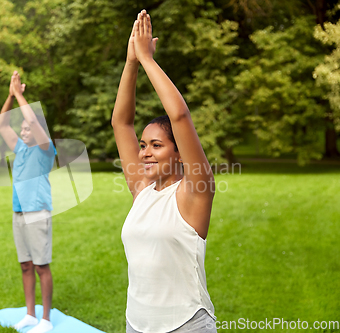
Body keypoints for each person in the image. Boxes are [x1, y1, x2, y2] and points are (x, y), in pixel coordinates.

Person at [112, 11, 217, 333]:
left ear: (179, 151)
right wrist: (130, 63)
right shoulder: (142, 189)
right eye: (143, 145)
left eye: (156, 145)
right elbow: (121, 122)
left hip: (186, 324)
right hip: (137, 324)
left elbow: (181, 116)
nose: (144, 153)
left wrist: (146, 59)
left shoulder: (194, 191)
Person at [0, 71, 56, 333]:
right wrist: (10, 97)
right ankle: (30, 314)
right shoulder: (20, 148)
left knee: (42, 266)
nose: (24, 130)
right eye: (22, 129)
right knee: (25, 265)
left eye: (28, 128)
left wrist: (21, 95)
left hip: (37, 212)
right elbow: (1, 125)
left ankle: (46, 319)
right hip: (18, 211)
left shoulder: (45, 149)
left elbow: (31, 118)